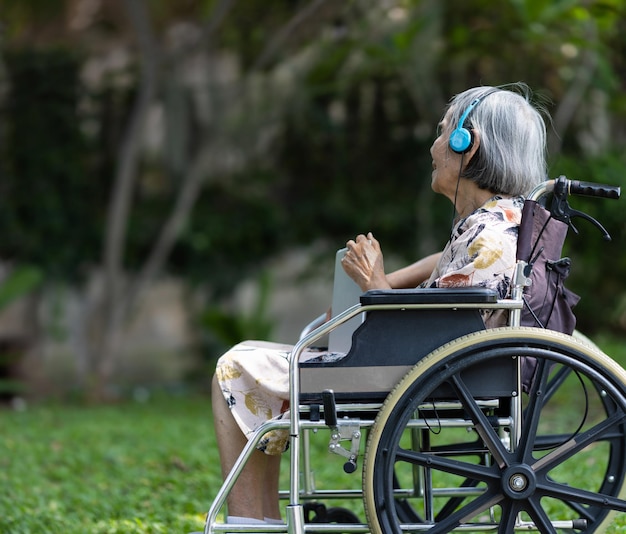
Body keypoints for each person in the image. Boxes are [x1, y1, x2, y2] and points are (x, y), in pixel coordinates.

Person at [211, 82, 548, 528]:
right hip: (435, 366)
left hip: (418, 371)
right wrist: (391, 281)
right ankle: (260, 518)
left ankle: (253, 521)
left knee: (237, 365)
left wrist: (375, 284)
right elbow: (444, 276)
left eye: (443, 132)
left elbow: (430, 332)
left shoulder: (487, 236)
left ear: (468, 142)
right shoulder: (498, 222)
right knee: (260, 355)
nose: (433, 146)